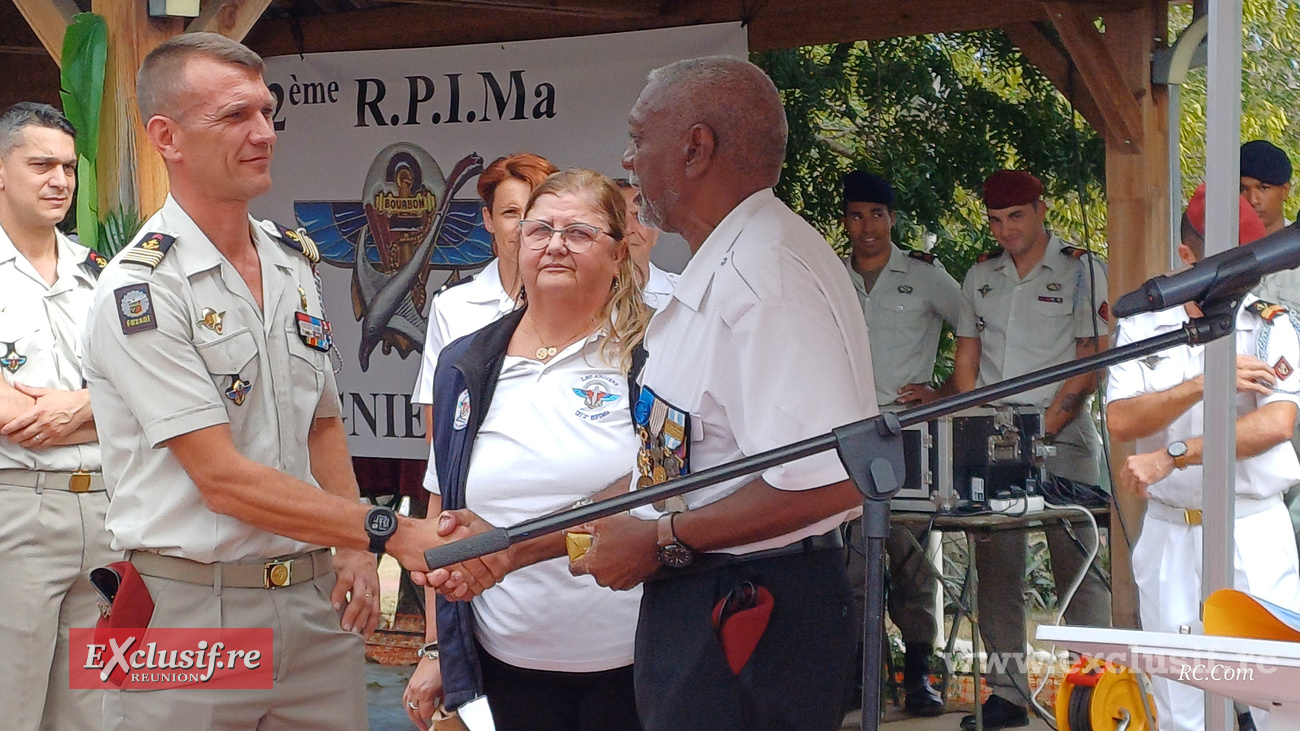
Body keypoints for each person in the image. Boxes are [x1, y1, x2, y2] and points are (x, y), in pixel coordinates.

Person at [422, 56, 878, 731]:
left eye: (639, 138)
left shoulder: (764, 275)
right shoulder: (721, 268)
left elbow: (835, 481)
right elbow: (665, 477)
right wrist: (517, 545)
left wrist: (662, 535)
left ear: (696, 147)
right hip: (706, 613)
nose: (628, 159)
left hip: (756, 621)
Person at [82, 33, 450, 730]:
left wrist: (350, 549)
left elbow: (322, 421)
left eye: (267, 111)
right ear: (167, 136)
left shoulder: (289, 260)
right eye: (234, 117)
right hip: (189, 615)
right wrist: (384, 528)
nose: (264, 133)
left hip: (314, 610)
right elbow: (223, 479)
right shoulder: (141, 289)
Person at [407, 169, 649, 731]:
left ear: (618, 253)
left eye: (579, 232)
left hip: (635, 662)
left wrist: (518, 546)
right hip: (506, 667)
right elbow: (445, 507)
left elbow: (662, 488)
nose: (556, 244)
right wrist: (439, 649)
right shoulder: (465, 363)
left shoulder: (653, 355)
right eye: (540, 230)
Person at [1106, 188, 1300, 731]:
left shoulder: (1269, 323)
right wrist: (1198, 385)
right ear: (1188, 257)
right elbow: (1120, 420)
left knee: (1278, 700)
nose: (1249, 279)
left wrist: (1175, 454)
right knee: (1179, 705)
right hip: (1171, 531)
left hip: (1252, 528)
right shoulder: (1145, 321)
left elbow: (1275, 423)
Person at [951, 169, 1111, 730]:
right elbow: (967, 363)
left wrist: (1041, 428)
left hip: (1062, 433)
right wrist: (970, 427)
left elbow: (1090, 361)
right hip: (994, 436)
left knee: (1078, 563)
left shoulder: (1081, 268)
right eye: (995, 220)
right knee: (997, 565)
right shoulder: (980, 276)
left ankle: (1090, 691)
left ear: (1041, 209)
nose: (1005, 230)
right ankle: (1008, 692)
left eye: (1015, 216)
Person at [0, 102, 119, 731]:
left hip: (104, 509)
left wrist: (83, 405)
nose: (60, 181)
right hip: (16, 507)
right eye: (41, 164)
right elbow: (10, 415)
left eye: (69, 168)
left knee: (92, 713)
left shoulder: (101, 274)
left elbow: (151, 392)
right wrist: (105, 408)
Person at [839, 170, 960, 717]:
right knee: (855, 565)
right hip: (848, 436)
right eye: (857, 215)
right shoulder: (831, 276)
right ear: (846, 220)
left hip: (910, 433)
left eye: (878, 215)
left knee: (913, 560)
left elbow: (974, 328)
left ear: (893, 219)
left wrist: (949, 391)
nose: (867, 227)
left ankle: (919, 677)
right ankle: (864, 680)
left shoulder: (925, 276)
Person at [411, 152, 559, 440]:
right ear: (488, 220)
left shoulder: (585, 303)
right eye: (510, 213)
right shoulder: (453, 306)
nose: (523, 226)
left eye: (534, 214)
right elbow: (438, 429)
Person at [613, 178, 678, 310]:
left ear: (656, 231)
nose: (627, 229)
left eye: (638, 217)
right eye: (617, 217)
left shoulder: (683, 293)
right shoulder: (576, 295)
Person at [1240, 140, 1292, 236]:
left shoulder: (1296, 246)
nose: (1253, 200)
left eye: (1263, 188)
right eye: (1243, 189)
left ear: (1284, 191)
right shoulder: (1220, 245)